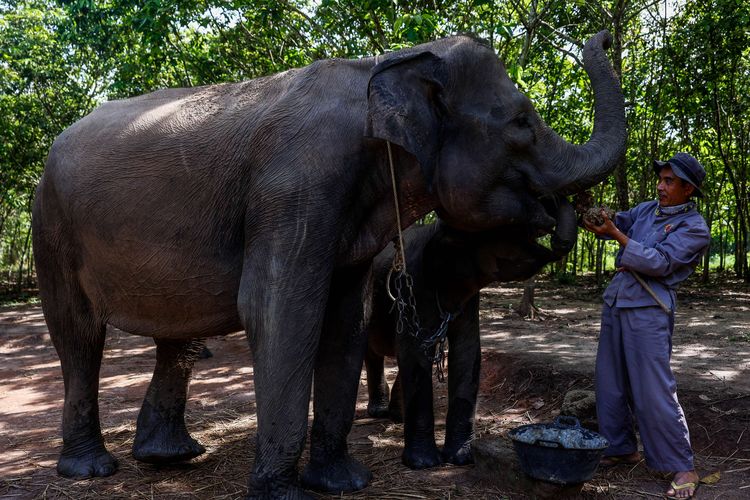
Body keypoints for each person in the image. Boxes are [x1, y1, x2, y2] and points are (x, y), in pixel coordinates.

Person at [583, 152, 710, 499]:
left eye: (670, 181)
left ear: (688, 189)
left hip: (649, 308)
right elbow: (617, 223)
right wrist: (598, 218)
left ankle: (684, 465)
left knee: (653, 388)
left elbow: (662, 262)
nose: (661, 186)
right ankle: (621, 447)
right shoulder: (645, 210)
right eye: (661, 179)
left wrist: (619, 238)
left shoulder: (694, 227)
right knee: (609, 382)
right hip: (617, 300)